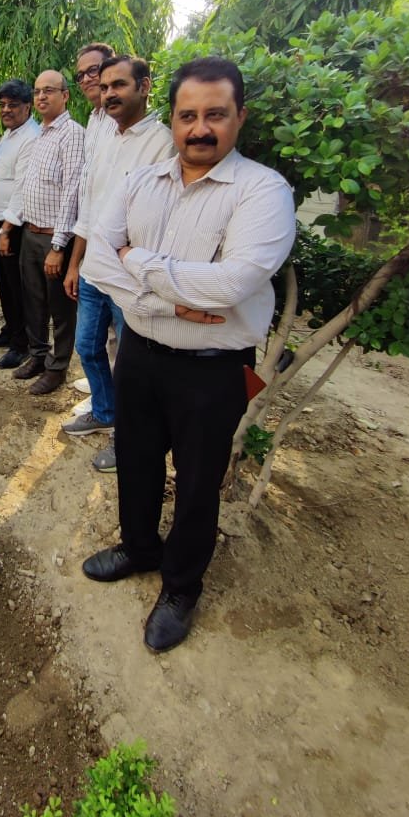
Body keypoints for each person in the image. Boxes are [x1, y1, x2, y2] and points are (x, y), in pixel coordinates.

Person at [82, 57, 296, 652]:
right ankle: (140, 547)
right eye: (188, 116)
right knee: (139, 459)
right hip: (143, 353)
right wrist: (172, 301)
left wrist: (136, 263)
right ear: (172, 120)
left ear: (239, 117)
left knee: (199, 482)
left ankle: (181, 584)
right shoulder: (140, 181)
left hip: (214, 371)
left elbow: (231, 285)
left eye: (215, 115)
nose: (200, 129)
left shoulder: (263, 192)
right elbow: (99, 261)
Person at [63, 54, 175, 471]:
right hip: (94, 269)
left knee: (130, 366)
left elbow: (162, 219)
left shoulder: (162, 143)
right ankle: (105, 413)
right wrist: (76, 263)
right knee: (87, 346)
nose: (108, 93)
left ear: (144, 87)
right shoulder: (104, 136)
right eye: (104, 86)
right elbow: (89, 208)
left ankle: (128, 438)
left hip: (131, 278)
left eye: (119, 85)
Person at [0, 70, 85, 395]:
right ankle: (37, 356)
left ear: (66, 96)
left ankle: (57, 368)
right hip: (30, 233)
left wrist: (59, 246)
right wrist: (9, 226)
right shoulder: (39, 137)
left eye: (49, 90)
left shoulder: (73, 135)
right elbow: (24, 187)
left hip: (53, 237)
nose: (42, 97)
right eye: (37, 91)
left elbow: (72, 192)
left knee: (60, 309)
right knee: (32, 302)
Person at [0, 79, 40, 369]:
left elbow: (22, 188)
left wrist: (6, 229)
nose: (6, 110)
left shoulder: (31, 137)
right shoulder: (9, 135)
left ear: (27, 107)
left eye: (13, 105)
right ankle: (10, 330)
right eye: (2, 105)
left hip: (13, 227)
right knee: (4, 283)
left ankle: (23, 344)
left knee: (18, 287)